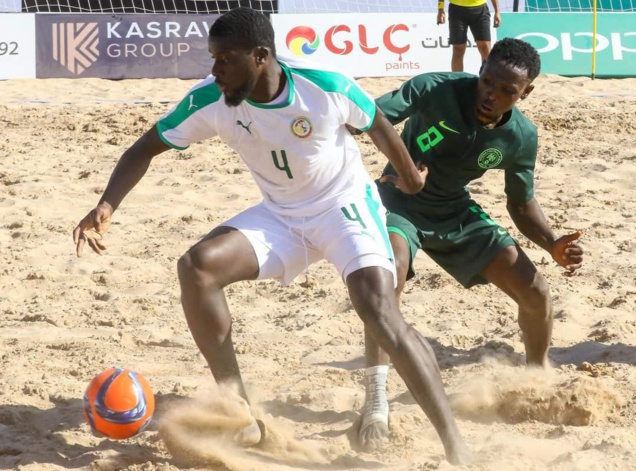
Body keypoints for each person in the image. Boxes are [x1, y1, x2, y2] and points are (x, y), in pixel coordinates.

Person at [72, 7, 472, 466]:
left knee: (377, 306)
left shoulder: (326, 86)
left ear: (261, 56)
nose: (215, 69)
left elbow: (377, 124)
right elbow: (146, 146)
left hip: (343, 206)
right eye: (212, 58)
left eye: (225, 59)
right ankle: (239, 410)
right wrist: (105, 205)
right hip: (281, 216)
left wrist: (411, 179)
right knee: (197, 267)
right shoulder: (209, 100)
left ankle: (455, 447)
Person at [356, 38, 584, 448]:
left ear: (525, 92)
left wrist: (551, 242)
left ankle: (534, 376)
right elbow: (369, 117)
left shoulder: (521, 136)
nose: (491, 94)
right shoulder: (435, 88)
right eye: (486, 81)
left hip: (456, 212)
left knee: (536, 292)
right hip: (398, 201)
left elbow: (521, 201)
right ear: (480, 72)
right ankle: (375, 402)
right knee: (387, 282)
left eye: (506, 91)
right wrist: (406, 170)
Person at [437, 0, 501, 72]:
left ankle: (488, 81)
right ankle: (457, 80)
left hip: (480, 11)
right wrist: (440, 9)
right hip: (456, 11)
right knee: (458, 50)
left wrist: (497, 11)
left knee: (485, 49)